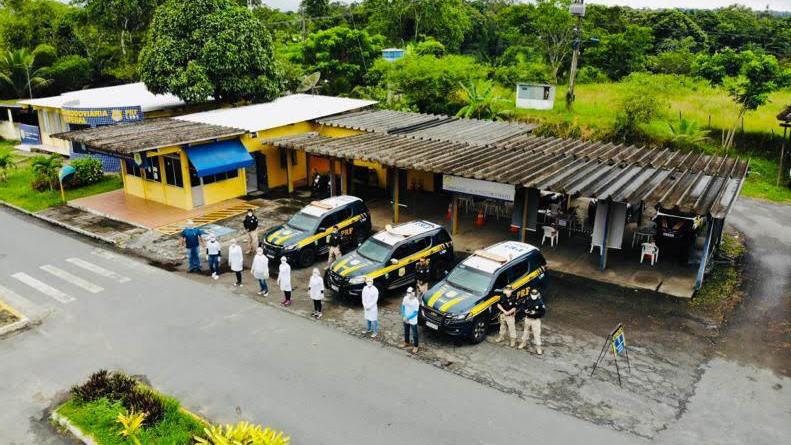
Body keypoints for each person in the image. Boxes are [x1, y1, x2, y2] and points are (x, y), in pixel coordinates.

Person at [519, 288, 546, 355]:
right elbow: (522, 306)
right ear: (530, 294)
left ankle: (538, 347)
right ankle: (523, 343)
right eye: (532, 294)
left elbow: (543, 313)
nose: (533, 296)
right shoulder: (527, 300)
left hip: (535, 320)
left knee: (536, 334)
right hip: (527, 319)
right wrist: (525, 310)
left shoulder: (540, 302)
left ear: (537, 295)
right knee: (526, 331)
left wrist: (535, 313)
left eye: (535, 295)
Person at [401, 287, 420, 353]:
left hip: (413, 320)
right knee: (406, 331)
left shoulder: (416, 302)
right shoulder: (405, 298)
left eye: (409, 292)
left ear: (413, 293)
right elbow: (403, 307)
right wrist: (404, 315)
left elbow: (415, 313)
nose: (408, 294)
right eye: (407, 292)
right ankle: (407, 342)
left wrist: (408, 317)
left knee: (415, 334)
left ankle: (416, 346)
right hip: (406, 318)